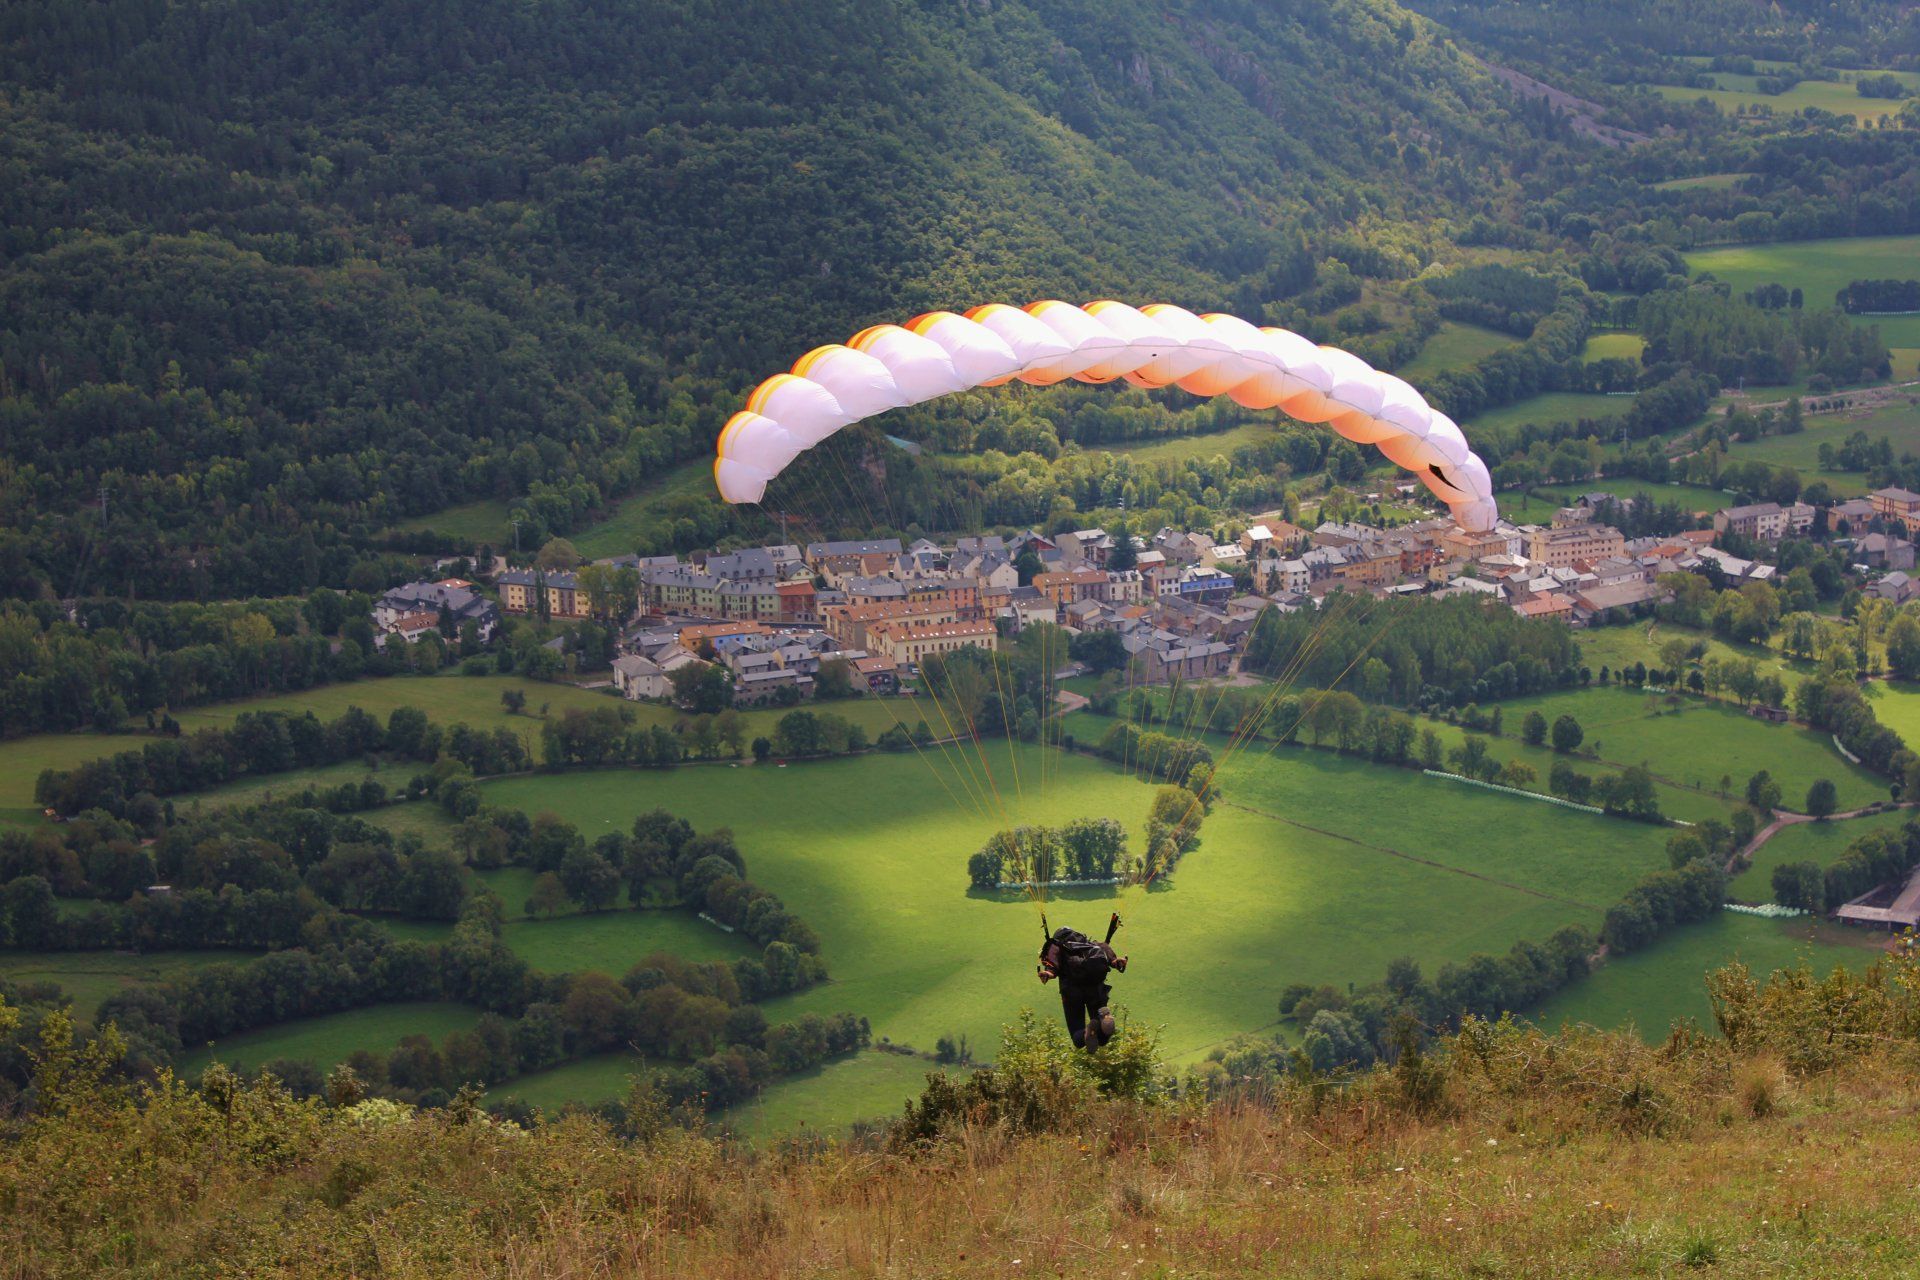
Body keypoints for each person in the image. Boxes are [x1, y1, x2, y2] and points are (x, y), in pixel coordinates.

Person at [1036, 914, 1126, 1050]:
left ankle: (1086, 1031)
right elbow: (1109, 955)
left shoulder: (1056, 945)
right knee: (1102, 1040)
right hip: (1096, 991)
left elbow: (1052, 963)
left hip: (1072, 993)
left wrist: (1048, 973)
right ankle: (1104, 1018)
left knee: (1078, 1038)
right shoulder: (1092, 945)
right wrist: (1116, 961)